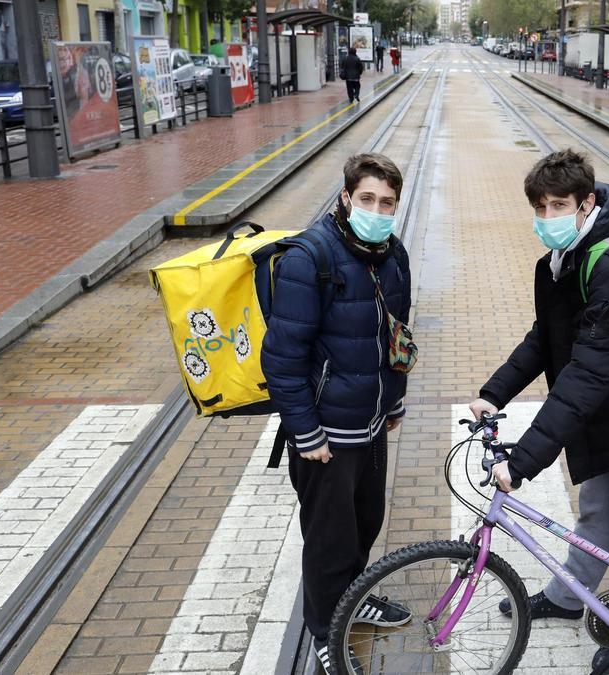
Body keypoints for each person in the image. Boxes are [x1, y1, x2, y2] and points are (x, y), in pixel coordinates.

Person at [468, 149, 609, 674]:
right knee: (594, 514)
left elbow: (590, 370)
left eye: (559, 205)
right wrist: (493, 393)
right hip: (601, 419)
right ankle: (571, 596)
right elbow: (545, 340)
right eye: (540, 207)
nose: (547, 218)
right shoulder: (566, 255)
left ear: (586, 202)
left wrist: (523, 461)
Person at [262, 153, 413, 675]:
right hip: (325, 433)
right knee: (329, 541)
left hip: (370, 426)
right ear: (346, 198)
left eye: (387, 202)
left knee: (365, 523)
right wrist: (305, 431)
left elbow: (396, 334)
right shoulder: (312, 259)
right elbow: (281, 358)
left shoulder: (392, 255)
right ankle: (326, 630)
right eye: (367, 199)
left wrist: (393, 398)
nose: (377, 209)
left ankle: (355, 598)